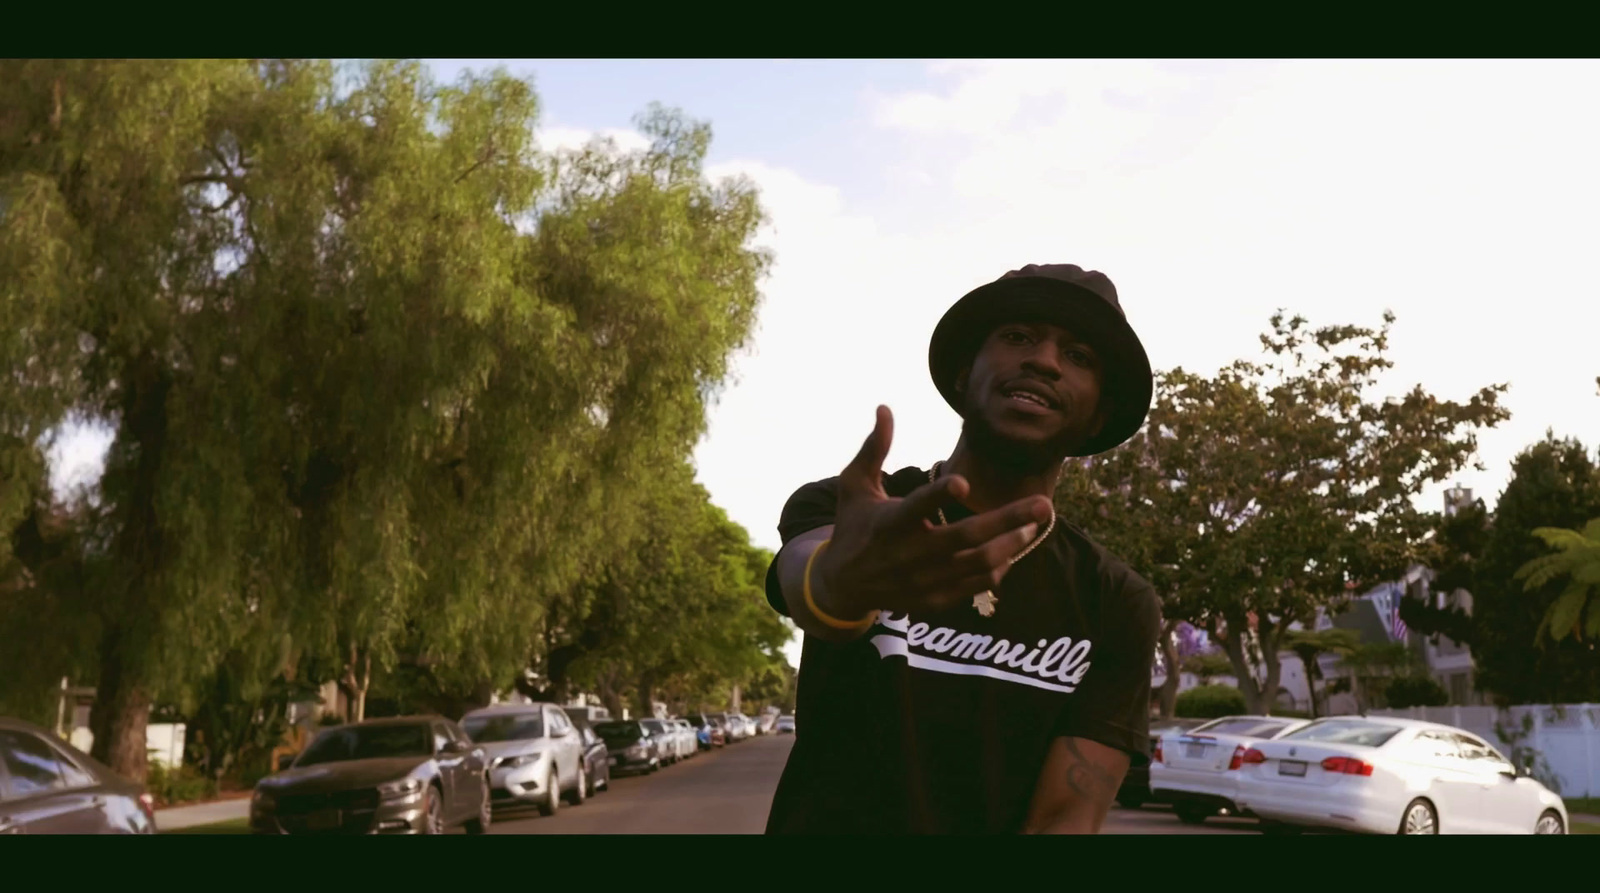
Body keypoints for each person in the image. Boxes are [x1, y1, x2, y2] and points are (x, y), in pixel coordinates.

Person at [762, 263, 1162, 834]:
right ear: (962, 373)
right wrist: (841, 583)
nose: (1045, 361)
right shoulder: (854, 512)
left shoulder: (1117, 600)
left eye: (1078, 355)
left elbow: (1066, 819)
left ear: (1098, 412)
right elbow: (812, 577)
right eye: (1019, 337)